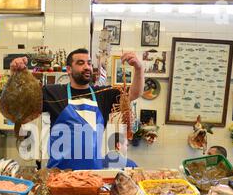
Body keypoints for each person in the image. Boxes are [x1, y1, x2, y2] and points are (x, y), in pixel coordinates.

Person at [10, 48, 144, 170]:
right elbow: (21, 101)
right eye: (80, 63)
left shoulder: (104, 94)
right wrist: (15, 74)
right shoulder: (52, 92)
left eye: (89, 63)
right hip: (59, 174)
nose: (87, 67)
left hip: (94, 174)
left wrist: (139, 68)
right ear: (68, 69)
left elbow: (133, 93)